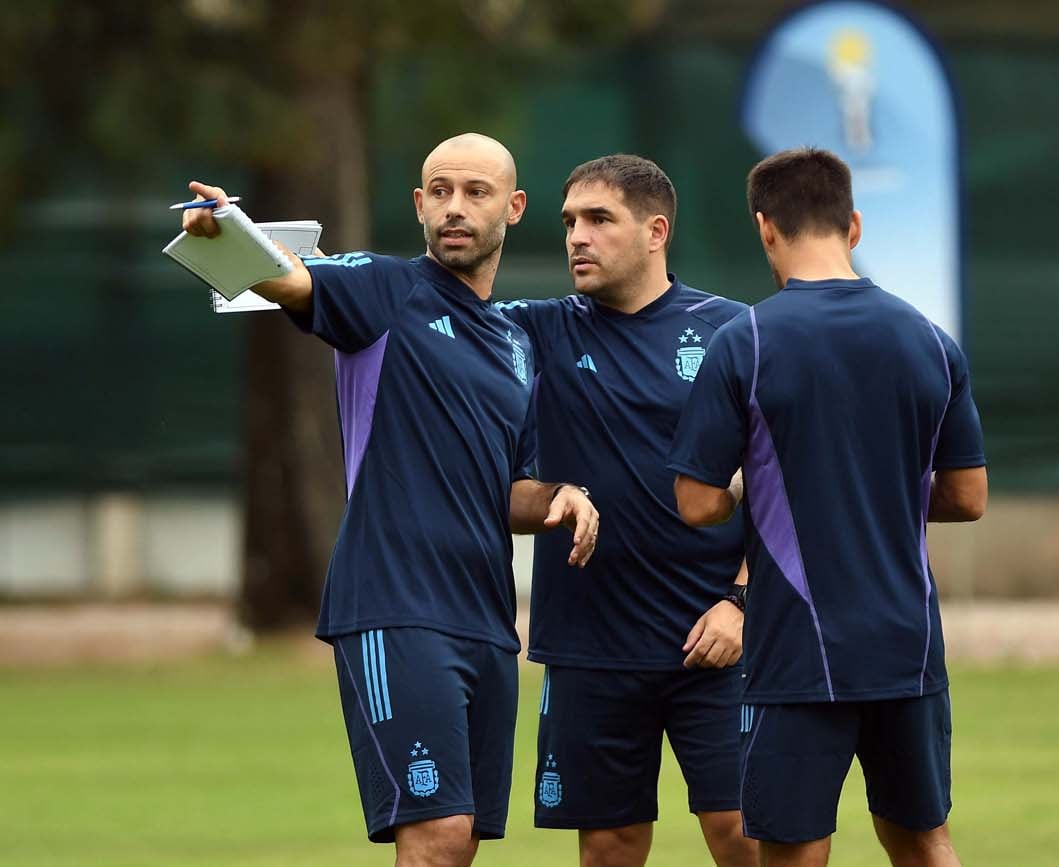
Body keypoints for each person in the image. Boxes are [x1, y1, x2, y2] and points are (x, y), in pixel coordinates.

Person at [180, 133, 600, 867]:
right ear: (418, 206)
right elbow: (291, 280)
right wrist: (230, 235)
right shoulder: (382, 288)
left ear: (515, 206)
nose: (455, 207)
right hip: (393, 606)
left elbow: (507, 492)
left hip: (487, 622)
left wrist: (563, 495)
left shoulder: (515, 344)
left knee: (460, 839)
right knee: (433, 837)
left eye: (475, 192)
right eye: (439, 191)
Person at [668, 147, 987, 867]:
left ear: (765, 228)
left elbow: (695, 501)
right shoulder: (931, 342)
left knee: (794, 851)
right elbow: (968, 497)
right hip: (908, 642)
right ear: (855, 225)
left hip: (799, 650)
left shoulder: (744, 340)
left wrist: (762, 486)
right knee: (922, 839)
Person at [496, 154, 756, 867]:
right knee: (609, 848)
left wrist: (740, 599)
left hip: (716, 637)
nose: (577, 236)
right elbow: (421, 312)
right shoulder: (538, 331)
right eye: (569, 221)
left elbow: (781, 484)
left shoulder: (735, 332)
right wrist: (279, 266)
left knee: (745, 835)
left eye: (599, 219)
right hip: (591, 643)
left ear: (654, 231)